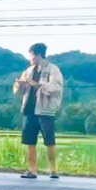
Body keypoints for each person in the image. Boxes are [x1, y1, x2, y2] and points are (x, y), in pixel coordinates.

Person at [13, 42, 63, 179]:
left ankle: (53, 170)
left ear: (38, 55)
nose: (30, 59)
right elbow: (17, 90)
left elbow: (56, 88)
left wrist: (38, 85)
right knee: (29, 141)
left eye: (31, 56)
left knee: (49, 141)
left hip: (45, 111)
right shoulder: (29, 71)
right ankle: (32, 170)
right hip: (29, 110)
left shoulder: (53, 70)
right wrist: (19, 84)